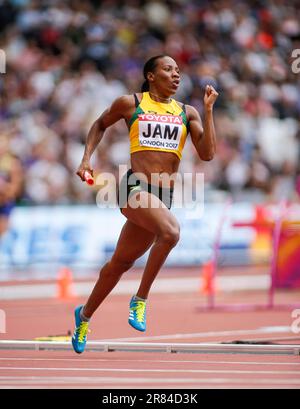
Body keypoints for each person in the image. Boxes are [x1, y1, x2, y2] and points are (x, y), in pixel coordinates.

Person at [72, 55, 218, 354]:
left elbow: (207, 154)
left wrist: (208, 111)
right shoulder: (131, 102)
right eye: (168, 69)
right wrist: (86, 158)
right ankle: (140, 299)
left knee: (119, 264)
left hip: (162, 196)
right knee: (172, 232)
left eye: (178, 71)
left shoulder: (187, 112)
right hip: (133, 187)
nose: (176, 75)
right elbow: (100, 124)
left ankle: (83, 316)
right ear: (151, 76)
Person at [0, 135, 22, 239]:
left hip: (4, 203)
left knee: (3, 233)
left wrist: (4, 188)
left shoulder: (12, 164)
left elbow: (14, 191)